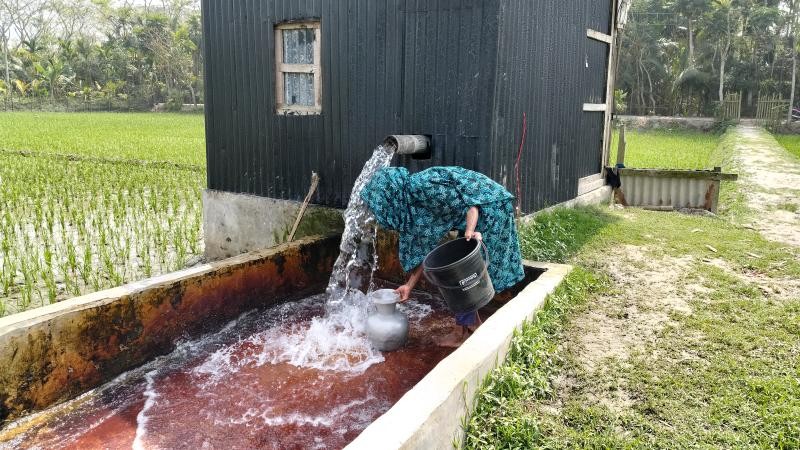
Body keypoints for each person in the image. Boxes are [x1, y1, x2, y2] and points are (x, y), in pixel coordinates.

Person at [360, 166, 525, 347]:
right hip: (478, 212)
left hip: (491, 208)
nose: (381, 211)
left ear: (390, 194)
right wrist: (408, 286)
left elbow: (470, 203)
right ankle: (470, 325)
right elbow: (424, 251)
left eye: (382, 204)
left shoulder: (422, 186)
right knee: (464, 276)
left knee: (464, 273)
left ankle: (462, 332)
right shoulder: (411, 205)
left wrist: (470, 231)